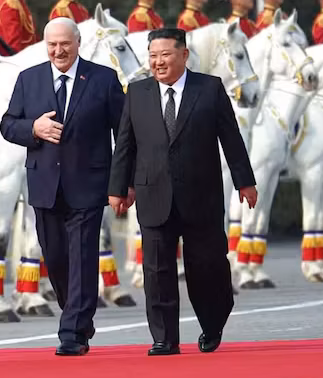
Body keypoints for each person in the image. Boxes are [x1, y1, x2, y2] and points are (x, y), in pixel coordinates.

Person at [107, 27, 258, 356]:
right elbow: (125, 145)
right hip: (153, 194)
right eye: (153, 56)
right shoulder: (137, 92)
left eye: (165, 55)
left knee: (207, 266)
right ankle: (164, 338)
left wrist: (245, 181)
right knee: (156, 270)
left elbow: (231, 138)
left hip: (201, 196)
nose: (158, 62)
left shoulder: (209, 89)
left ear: (184, 55)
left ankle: (213, 322)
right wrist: (119, 187)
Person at [0, 17, 125, 356]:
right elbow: (8, 125)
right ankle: (78, 314)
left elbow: (123, 134)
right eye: (52, 45)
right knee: (55, 258)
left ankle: (72, 333)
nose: (58, 50)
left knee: (83, 257)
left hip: (89, 184)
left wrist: (123, 182)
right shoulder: (29, 79)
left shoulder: (103, 79)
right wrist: (33, 128)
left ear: (78, 43)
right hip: (44, 185)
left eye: (65, 44)